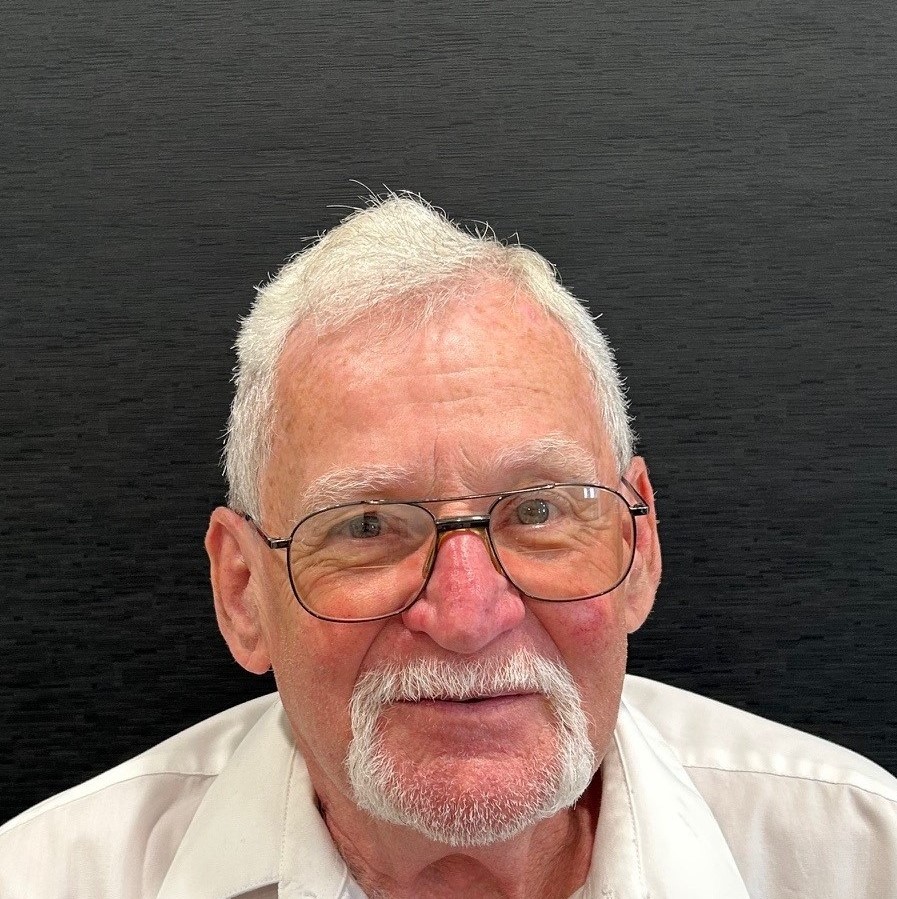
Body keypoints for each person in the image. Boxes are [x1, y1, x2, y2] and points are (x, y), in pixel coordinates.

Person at [1, 194, 895, 899]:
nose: (468, 617)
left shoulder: (860, 858)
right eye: (366, 526)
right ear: (242, 593)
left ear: (638, 545)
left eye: (537, 510)